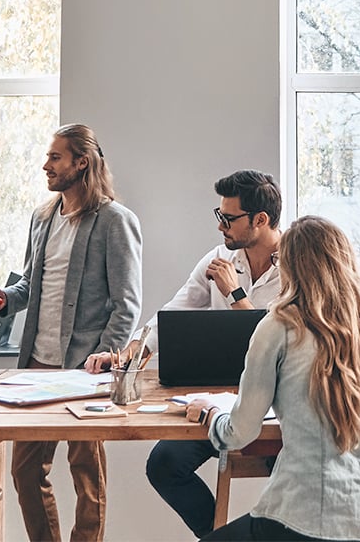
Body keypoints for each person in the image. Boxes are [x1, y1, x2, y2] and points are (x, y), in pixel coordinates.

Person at [85, 169, 283, 538]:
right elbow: (174, 312)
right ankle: (216, 535)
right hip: (222, 396)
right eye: (219, 215)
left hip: (276, 401)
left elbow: (274, 341)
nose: (221, 225)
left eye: (229, 218)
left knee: (285, 471)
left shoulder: (296, 266)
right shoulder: (219, 258)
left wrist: (235, 294)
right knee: (164, 464)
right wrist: (130, 353)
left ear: (261, 220)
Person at [185, 215, 360, 542]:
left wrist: (212, 415)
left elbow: (239, 432)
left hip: (304, 521)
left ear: (291, 265)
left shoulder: (278, 326)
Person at [0, 123, 142, 542]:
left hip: (85, 368)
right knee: (26, 470)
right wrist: (5, 299)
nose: (45, 166)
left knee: (86, 473)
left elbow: (127, 303)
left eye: (55, 157)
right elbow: (31, 284)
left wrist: (107, 356)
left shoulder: (114, 221)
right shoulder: (42, 217)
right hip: (36, 365)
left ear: (81, 162)